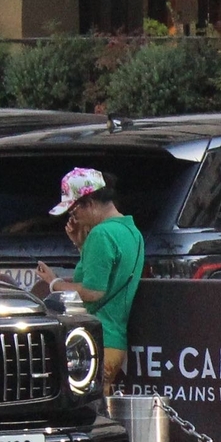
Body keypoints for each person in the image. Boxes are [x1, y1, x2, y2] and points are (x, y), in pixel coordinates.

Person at [33, 167, 143, 392]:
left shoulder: (101, 234)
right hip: (114, 342)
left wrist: (54, 283)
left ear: (90, 202)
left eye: (73, 212)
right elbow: (109, 275)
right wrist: (82, 245)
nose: (74, 219)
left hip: (93, 342)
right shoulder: (132, 232)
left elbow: (93, 291)